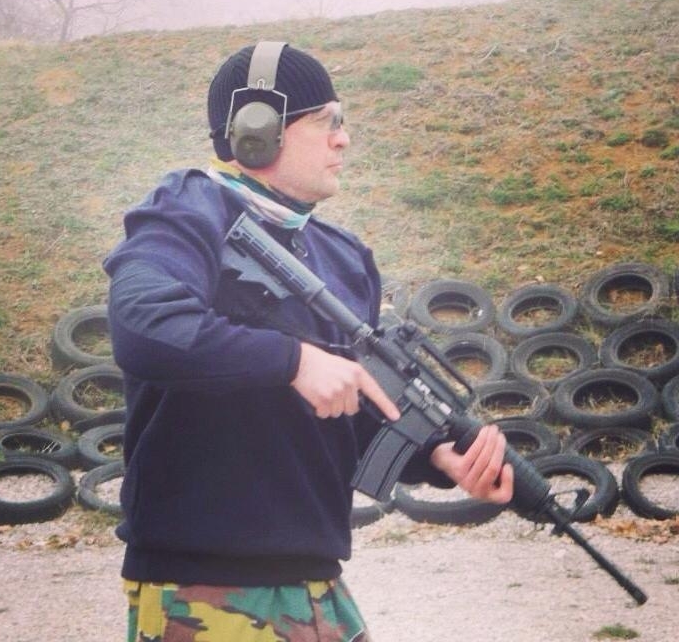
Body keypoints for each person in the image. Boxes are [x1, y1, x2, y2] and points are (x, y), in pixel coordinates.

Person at [103, 41, 514, 642]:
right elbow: (144, 326)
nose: (344, 139)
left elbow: (346, 407)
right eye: (327, 121)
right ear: (257, 131)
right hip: (202, 587)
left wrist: (435, 456)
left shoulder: (343, 257)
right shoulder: (186, 213)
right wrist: (292, 360)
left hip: (315, 581)